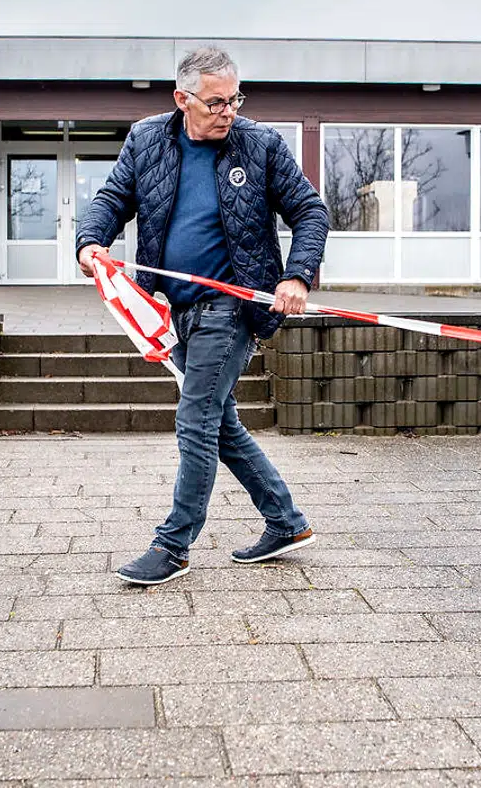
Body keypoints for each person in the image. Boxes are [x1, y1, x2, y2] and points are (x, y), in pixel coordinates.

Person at [76, 46, 329, 585]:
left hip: (232, 307)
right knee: (220, 423)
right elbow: (113, 198)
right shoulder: (146, 140)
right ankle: (286, 522)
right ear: (182, 99)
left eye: (235, 99)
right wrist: (90, 241)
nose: (228, 111)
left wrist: (297, 276)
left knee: (195, 420)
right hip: (176, 309)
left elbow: (310, 210)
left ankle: (173, 546)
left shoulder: (260, 145)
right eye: (216, 102)